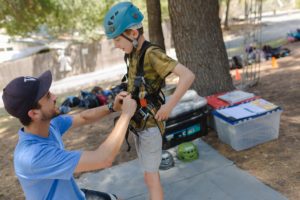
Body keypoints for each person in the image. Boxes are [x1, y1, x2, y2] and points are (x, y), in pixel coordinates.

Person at [103, 2, 195, 200]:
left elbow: (187, 76)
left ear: (133, 34)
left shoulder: (151, 53)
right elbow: (140, 84)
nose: (116, 45)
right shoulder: (133, 54)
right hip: (139, 123)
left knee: (152, 178)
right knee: (148, 175)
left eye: (118, 40)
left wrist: (168, 106)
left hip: (151, 126)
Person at [2, 70, 137, 200]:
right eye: (48, 96)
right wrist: (126, 115)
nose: (55, 97)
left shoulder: (49, 124)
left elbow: (83, 117)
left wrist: (112, 107)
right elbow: (104, 158)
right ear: (34, 113)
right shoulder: (33, 156)